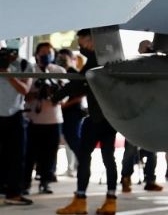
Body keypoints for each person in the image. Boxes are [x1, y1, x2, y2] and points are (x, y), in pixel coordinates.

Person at [57, 29, 119, 215]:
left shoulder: (94, 59)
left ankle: (80, 200)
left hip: (96, 118)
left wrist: (56, 96)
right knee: (109, 158)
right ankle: (110, 201)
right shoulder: (111, 57)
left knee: (85, 158)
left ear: (91, 40)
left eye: (82, 42)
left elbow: (78, 82)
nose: (81, 46)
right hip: (111, 118)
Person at [119, 40, 164, 194]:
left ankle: (150, 180)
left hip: (152, 116)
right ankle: (125, 178)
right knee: (130, 151)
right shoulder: (132, 66)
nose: (148, 50)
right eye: (145, 48)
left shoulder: (158, 67)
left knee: (152, 150)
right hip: (135, 116)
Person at [23, 42, 66, 195]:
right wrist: (37, 94)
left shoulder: (58, 71)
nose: (46, 55)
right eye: (43, 52)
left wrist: (55, 93)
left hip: (54, 120)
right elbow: (23, 95)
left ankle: (45, 182)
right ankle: (25, 183)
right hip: (33, 120)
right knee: (29, 153)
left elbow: (65, 97)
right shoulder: (30, 70)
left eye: (49, 52)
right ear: (36, 54)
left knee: (50, 154)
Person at [0, 43, 33, 206]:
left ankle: (13, 193)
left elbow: (25, 90)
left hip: (15, 115)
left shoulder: (25, 65)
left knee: (16, 156)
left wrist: (7, 74)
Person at [56, 48, 83, 178]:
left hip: (73, 112)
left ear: (71, 59)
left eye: (63, 58)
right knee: (68, 140)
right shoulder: (57, 72)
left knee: (73, 139)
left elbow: (81, 94)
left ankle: (82, 163)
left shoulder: (74, 73)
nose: (60, 61)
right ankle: (74, 166)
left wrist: (65, 105)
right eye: (59, 58)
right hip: (63, 111)